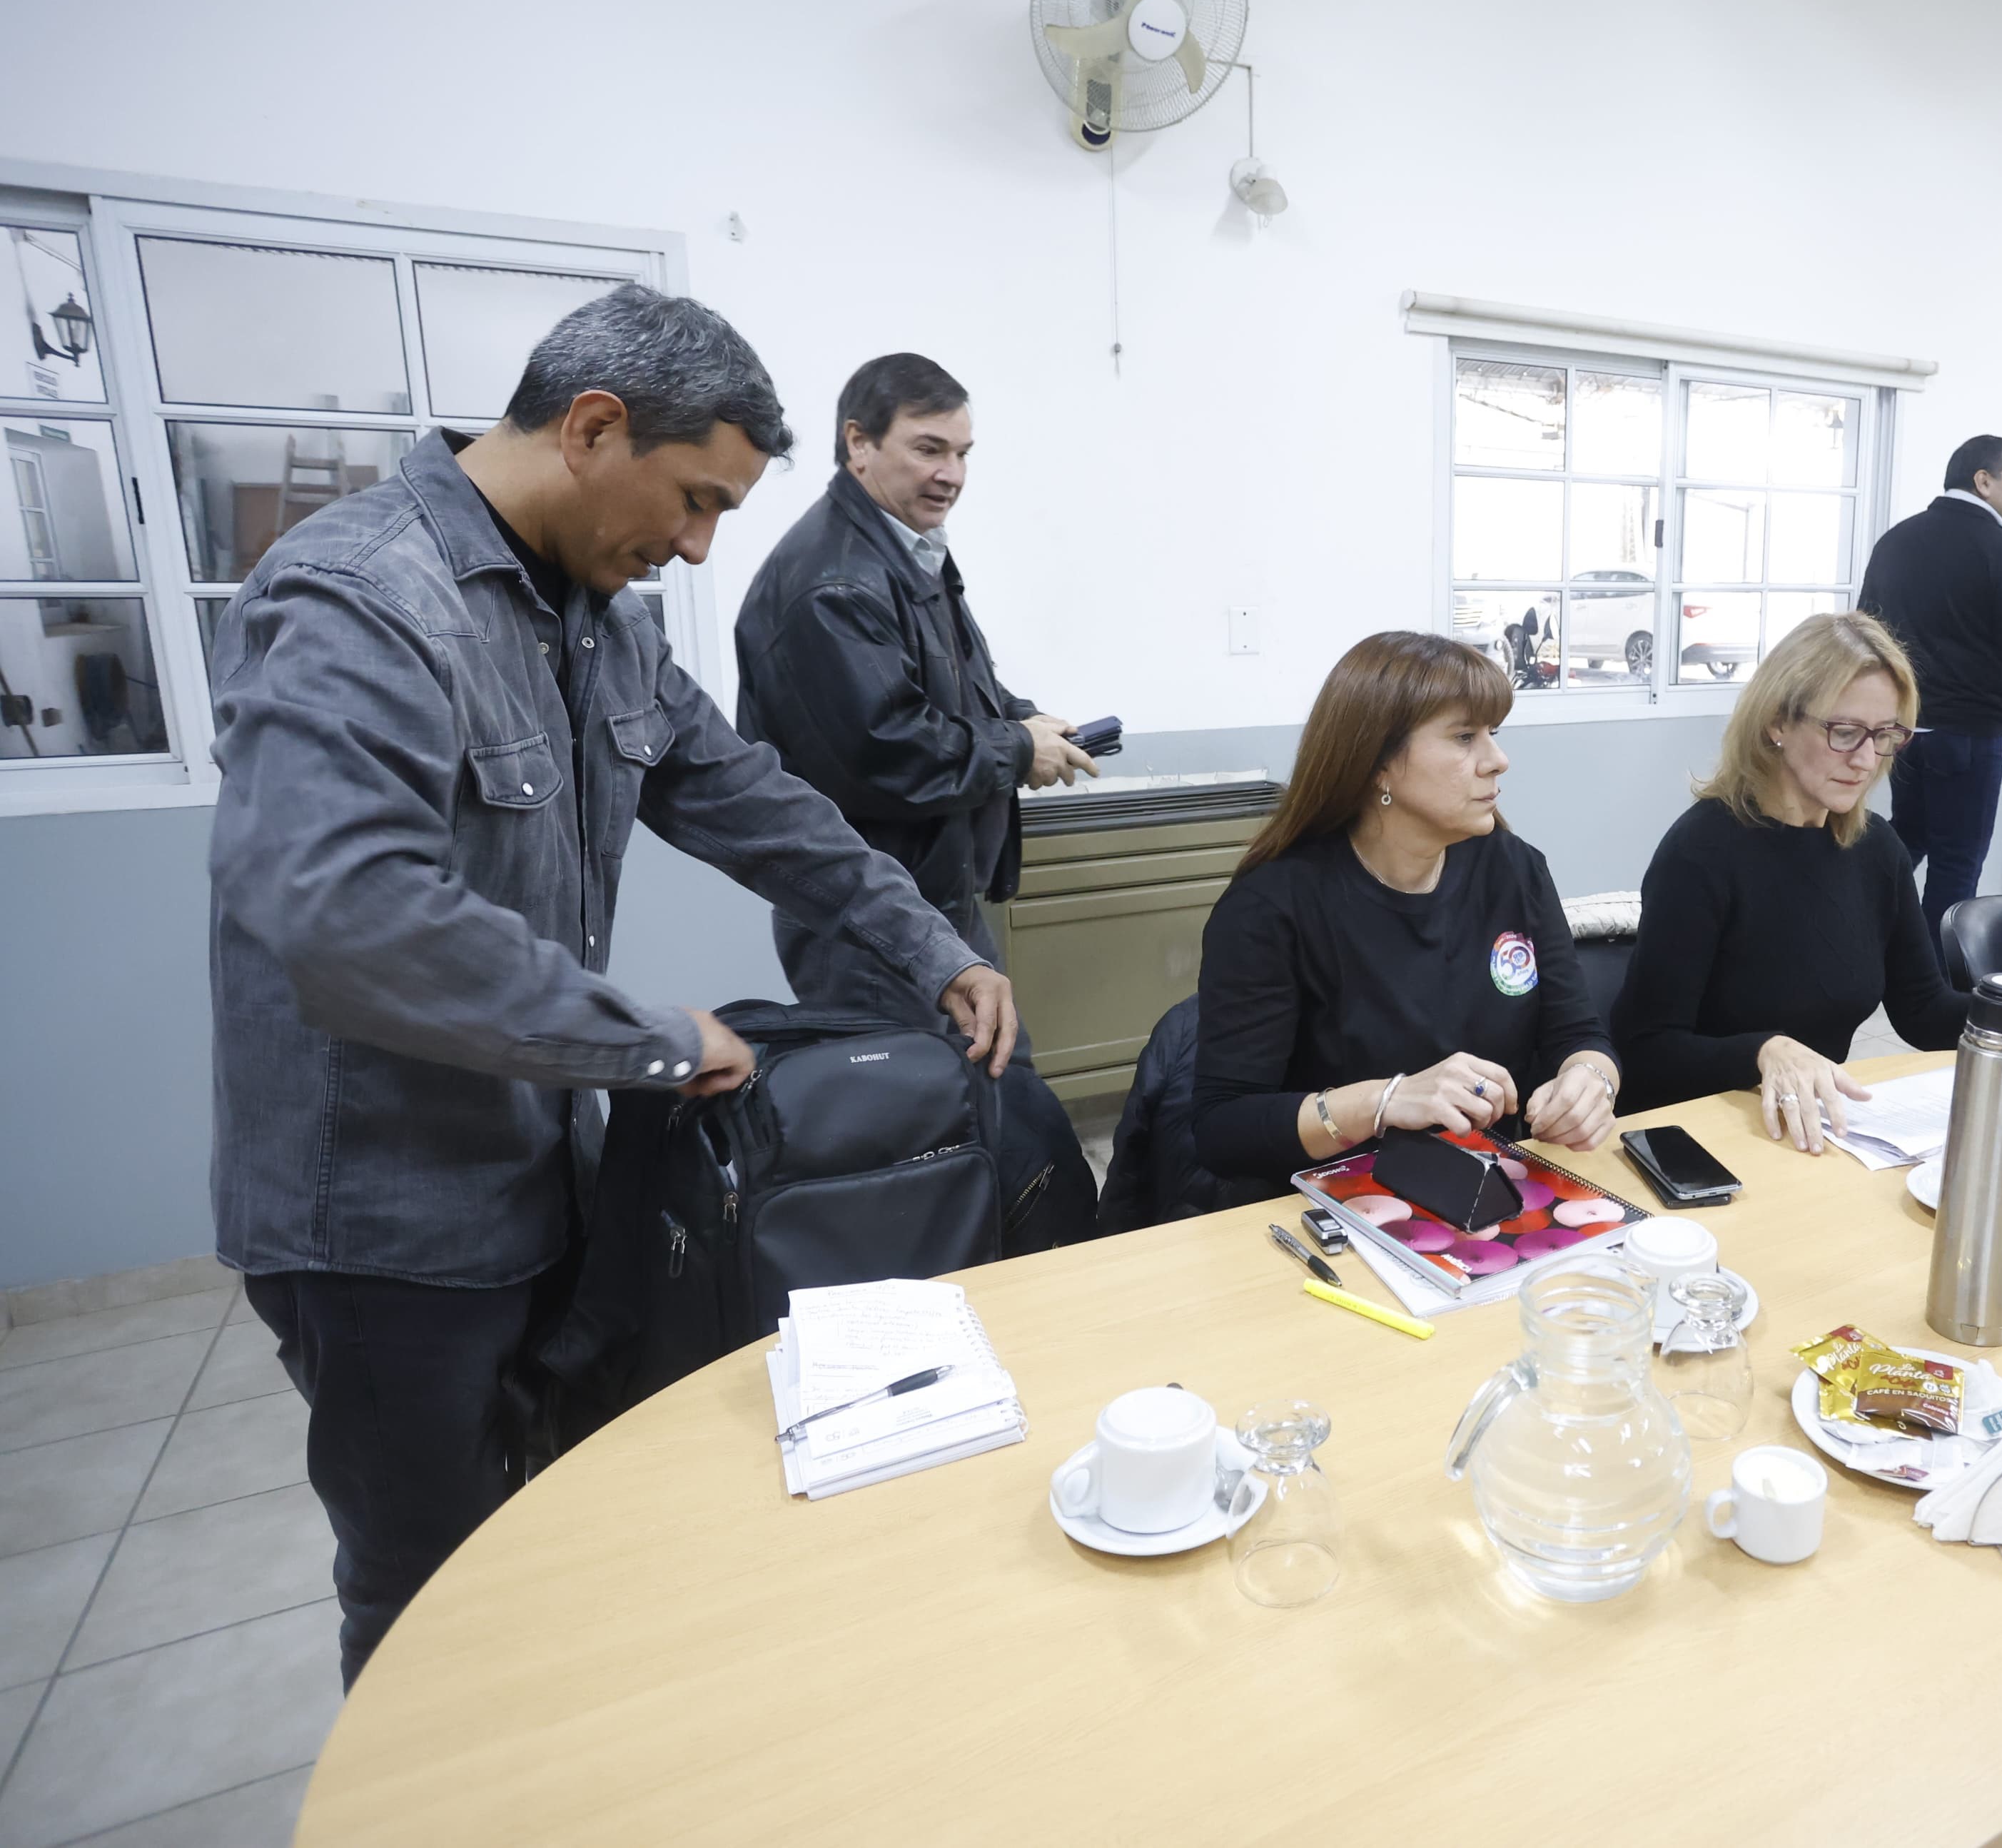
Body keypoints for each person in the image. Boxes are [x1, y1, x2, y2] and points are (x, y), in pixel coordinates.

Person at [207, 286, 1017, 1686]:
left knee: (557, 1542)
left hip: (541, 1168)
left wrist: (927, 941)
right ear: (592, 428)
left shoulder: (597, 623)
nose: (696, 548)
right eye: (694, 500)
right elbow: (348, 920)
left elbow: (755, 800)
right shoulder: (361, 594)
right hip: (382, 1219)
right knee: (430, 1602)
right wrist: (644, 1037)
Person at [1613, 612, 2002, 1150]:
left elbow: (1921, 1010)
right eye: (1844, 732)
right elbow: (1646, 1050)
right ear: (1776, 723)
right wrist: (1762, 1051)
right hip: (1700, 1137)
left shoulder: (1875, 849)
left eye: (1885, 736)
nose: (1865, 759)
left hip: (1810, 1135)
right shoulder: (1701, 853)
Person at [734, 353, 1100, 1009]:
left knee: (986, 1094)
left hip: (932, 904)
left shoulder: (908, 548)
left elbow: (950, 683)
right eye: (929, 449)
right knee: (919, 1103)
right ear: (858, 442)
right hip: (871, 924)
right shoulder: (835, 582)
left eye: (962, 453)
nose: (951, 475)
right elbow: (890, 750)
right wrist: (1016, 748)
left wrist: (1024, 719)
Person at [1193, 631, 1619, 1189]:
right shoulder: (1272, 907)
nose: (1498, 760)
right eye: (1465, 737)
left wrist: (1590, 1082)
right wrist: (1385, 1100)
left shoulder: (1514, 869)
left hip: (1487, 1195)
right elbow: (1223, 1129)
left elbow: (1579, 1034)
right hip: (1331, 1210)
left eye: (1493, 733)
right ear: (1379, 765)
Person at [1857, 433, 2002, 951]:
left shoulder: (1896, 542)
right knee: (1957, 862)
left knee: (1909, 836)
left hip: (1903, 730)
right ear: (1984, 480)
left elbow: (1863, 635)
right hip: (1968, 736)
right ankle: (1935, 980)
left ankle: (1846, 923)